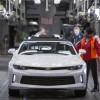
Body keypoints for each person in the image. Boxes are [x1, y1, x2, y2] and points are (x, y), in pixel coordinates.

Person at [75, 27, 100, 92]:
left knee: (94, 74)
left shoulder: (94, 40)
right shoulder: (82, 40)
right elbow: (77, 47)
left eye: (85, 32)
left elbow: (98, 49)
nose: (84, 33)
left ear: (89, 34)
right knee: (85, 74)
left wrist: (99, 56)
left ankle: (96, 87)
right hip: (84, 60)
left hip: (93, 59)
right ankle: (84, 87)